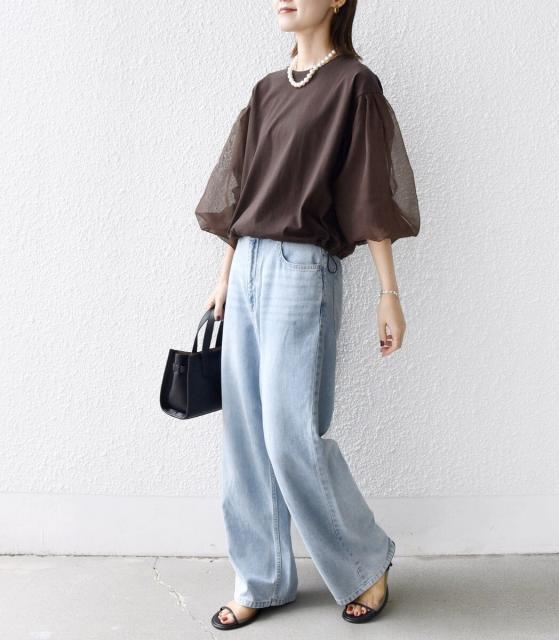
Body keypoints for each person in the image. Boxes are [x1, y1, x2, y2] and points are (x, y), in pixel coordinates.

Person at [194, 0, 420, 630]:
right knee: (245, 437)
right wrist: (224, 275)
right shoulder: (267, 90)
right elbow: (244, 191)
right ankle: (261, 578)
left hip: (302, 269)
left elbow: (369, 193)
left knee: (289, 435)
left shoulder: (354, 85)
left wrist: (388, 293)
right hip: (247, 265)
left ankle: (364, 561)